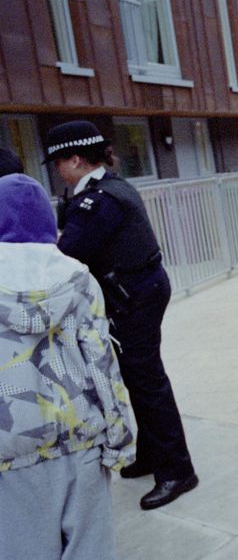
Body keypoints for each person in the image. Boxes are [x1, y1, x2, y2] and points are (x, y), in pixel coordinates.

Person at [43, 121, 198, 510]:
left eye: (58, 162)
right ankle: (151, 454)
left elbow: (67, 255)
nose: (56, 170)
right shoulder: (110, 186)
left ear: (75, 159)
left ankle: (177, 471)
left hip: (133, 299)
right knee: (138, 378)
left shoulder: (98, 201)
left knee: (147, 383)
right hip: (139, 293)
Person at [0, 173, 135, 559]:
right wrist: (121, 439)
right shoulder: (78, 279)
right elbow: (102, 364)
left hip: (11, 449)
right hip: (83, 439)